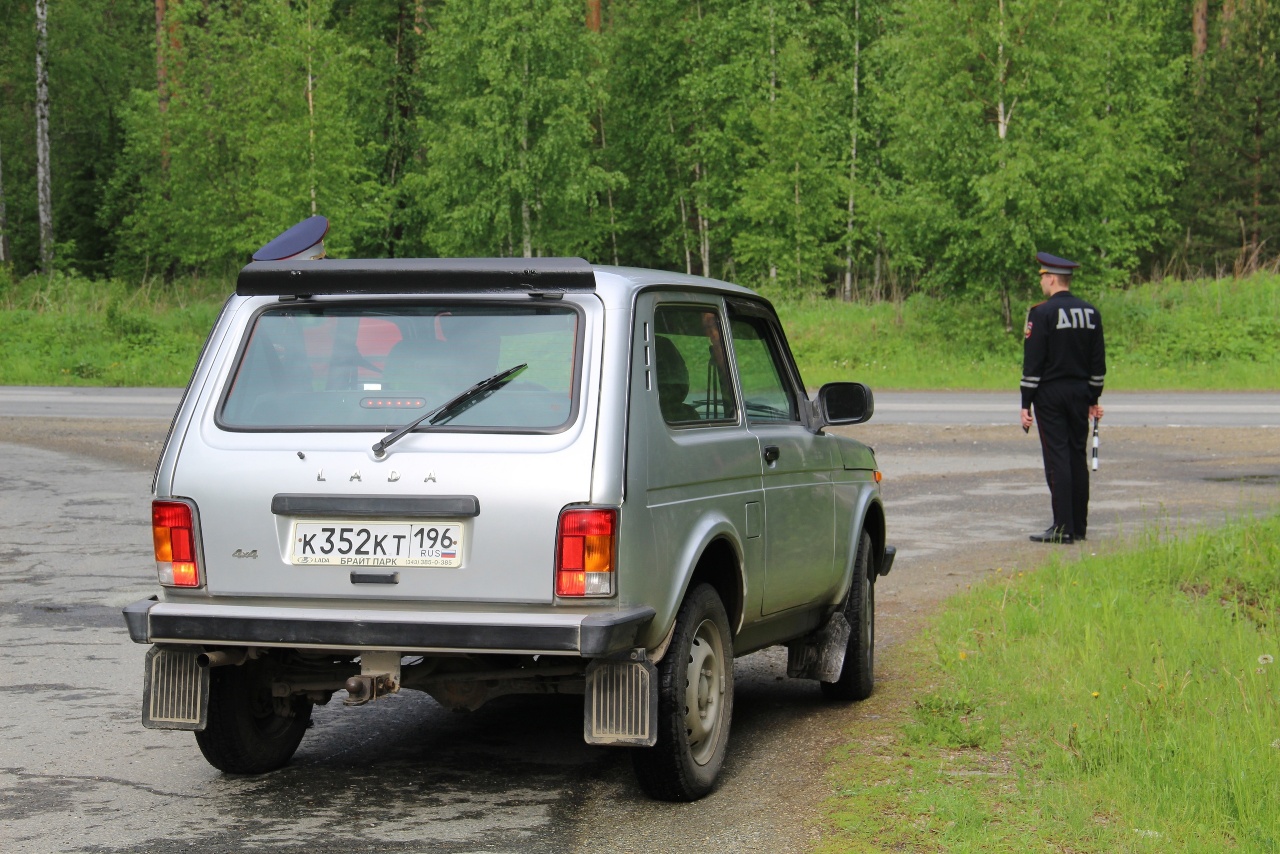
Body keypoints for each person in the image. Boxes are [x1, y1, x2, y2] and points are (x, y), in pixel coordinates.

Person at [1020, 252, 1106, 544]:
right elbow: (1098, 364)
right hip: (1081, 393)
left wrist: (1025, 403)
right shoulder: (1091, 313)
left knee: (1057, 459)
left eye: (1043, 276)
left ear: (1052, 278)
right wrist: (1094, 398)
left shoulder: (1041, 313)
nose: (1042, 281)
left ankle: (1062, 528)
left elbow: (1033, 364)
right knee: (1075, 457)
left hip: (1051, 395)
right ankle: (1079, 527)